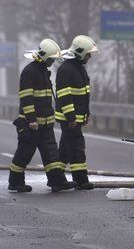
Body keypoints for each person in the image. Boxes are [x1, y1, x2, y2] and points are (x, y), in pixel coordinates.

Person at [8, 39, 77, 192]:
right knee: (24, 154)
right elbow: (26, 97)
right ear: (44, 57)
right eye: (51, 59)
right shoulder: (30, 71)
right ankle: (15, 182)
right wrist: (31, 120)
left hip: (45, 124)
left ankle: (57, 182)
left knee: (51, 154)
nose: (52, 61)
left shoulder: (42, 72)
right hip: (31, 124)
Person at [55, 35, 99, 190]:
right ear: (80, 53)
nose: (89, 57)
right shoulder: (66, 70)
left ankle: (55, 177)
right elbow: (64, 96)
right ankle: (81, 180)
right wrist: (71, 118)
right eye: (88, 54)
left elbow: (83, 95)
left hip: (75, 118)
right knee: (77, 147)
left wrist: (86, 114)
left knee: (66, 149)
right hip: (69, 119)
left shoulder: (78, 68)